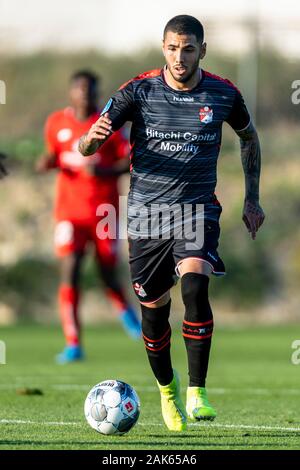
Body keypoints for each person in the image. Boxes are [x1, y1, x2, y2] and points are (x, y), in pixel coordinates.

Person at [78, 16, 265, 431]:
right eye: (172, 48)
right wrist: (91, 139)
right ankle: (168, 391)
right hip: (146, 217)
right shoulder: (139, 90)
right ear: (163, 47)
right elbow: (86, 145)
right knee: (154, 315)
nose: (179, 58)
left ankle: (198, 391)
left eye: (188, 49)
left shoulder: (222, 93)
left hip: (196, 210)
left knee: (196, 285)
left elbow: (249, 137)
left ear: (203, 49)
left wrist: (252, 198)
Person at [36, 70, 141, 364]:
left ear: (96, 93)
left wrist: (104, 171)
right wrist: (46, 162)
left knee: (107, 272)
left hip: (104, 213)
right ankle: (73, 342)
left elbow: (129, 162)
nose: (84, 93)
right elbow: (53, 155)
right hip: (69, 214)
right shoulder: (57, 122)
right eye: (79, 88)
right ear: (71, 92)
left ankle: (128, 315)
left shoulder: (108, 124)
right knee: (70, 270)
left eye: (89, 89)